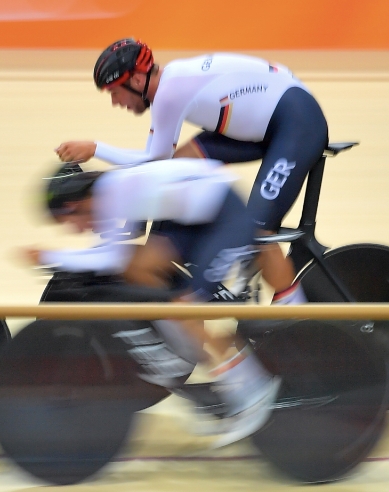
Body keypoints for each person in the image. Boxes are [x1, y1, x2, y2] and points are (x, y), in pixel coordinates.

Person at [54, 38, 329, 306]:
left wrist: (95, 148)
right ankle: (192, 244)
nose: (115, 102)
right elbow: (164, 169)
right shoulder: (172, 84)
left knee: (257, 229)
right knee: (181, 163)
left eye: (114, 92)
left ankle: (295, 310)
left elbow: (153, 161)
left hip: (297, 124)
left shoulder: (169, 93)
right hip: (265, 120)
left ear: (137, 80)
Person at [27, 159, 280, 446]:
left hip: (226, 217)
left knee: (184, 307)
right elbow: (117, 259)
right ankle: (179, 334)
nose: (75, 229)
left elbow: (106, 257)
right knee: (138, 267)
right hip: (196, 216)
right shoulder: (108, 191)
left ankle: (253, 390)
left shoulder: (111, 193)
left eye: (69, 220)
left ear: (77, 202)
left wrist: (49, 257)